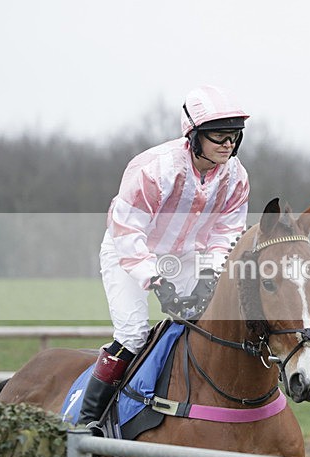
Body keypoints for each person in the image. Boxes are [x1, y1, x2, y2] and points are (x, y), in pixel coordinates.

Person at [77, 85, 250, 430]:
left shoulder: (236, 177)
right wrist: (157, 281)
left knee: (207, 322)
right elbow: (128, 231)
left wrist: (209, 274)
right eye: (219, 135)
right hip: (129, 252)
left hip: (186, 257)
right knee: (133, 335)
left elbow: (227, 232)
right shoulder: (155, 169)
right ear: (194, 135)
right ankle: (87, 423)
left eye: (234, 135)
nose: (228, 144)